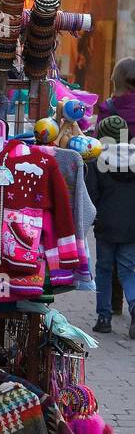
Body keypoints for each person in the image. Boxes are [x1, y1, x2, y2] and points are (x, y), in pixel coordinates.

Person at [86, 92, 135, 337]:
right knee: (128, 269)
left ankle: (103, 317)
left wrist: (89, 219)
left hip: (106, 224)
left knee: (104, 270)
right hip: (132, 226)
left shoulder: (97, 162)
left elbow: (91, 196)